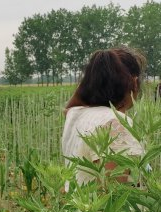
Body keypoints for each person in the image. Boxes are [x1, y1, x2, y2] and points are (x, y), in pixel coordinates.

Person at [62, 47, 146, 192]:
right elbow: (115, 193)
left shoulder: (75, 114)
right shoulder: (116, 122)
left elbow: (68, 108)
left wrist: (90, 81)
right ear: (134, 82)